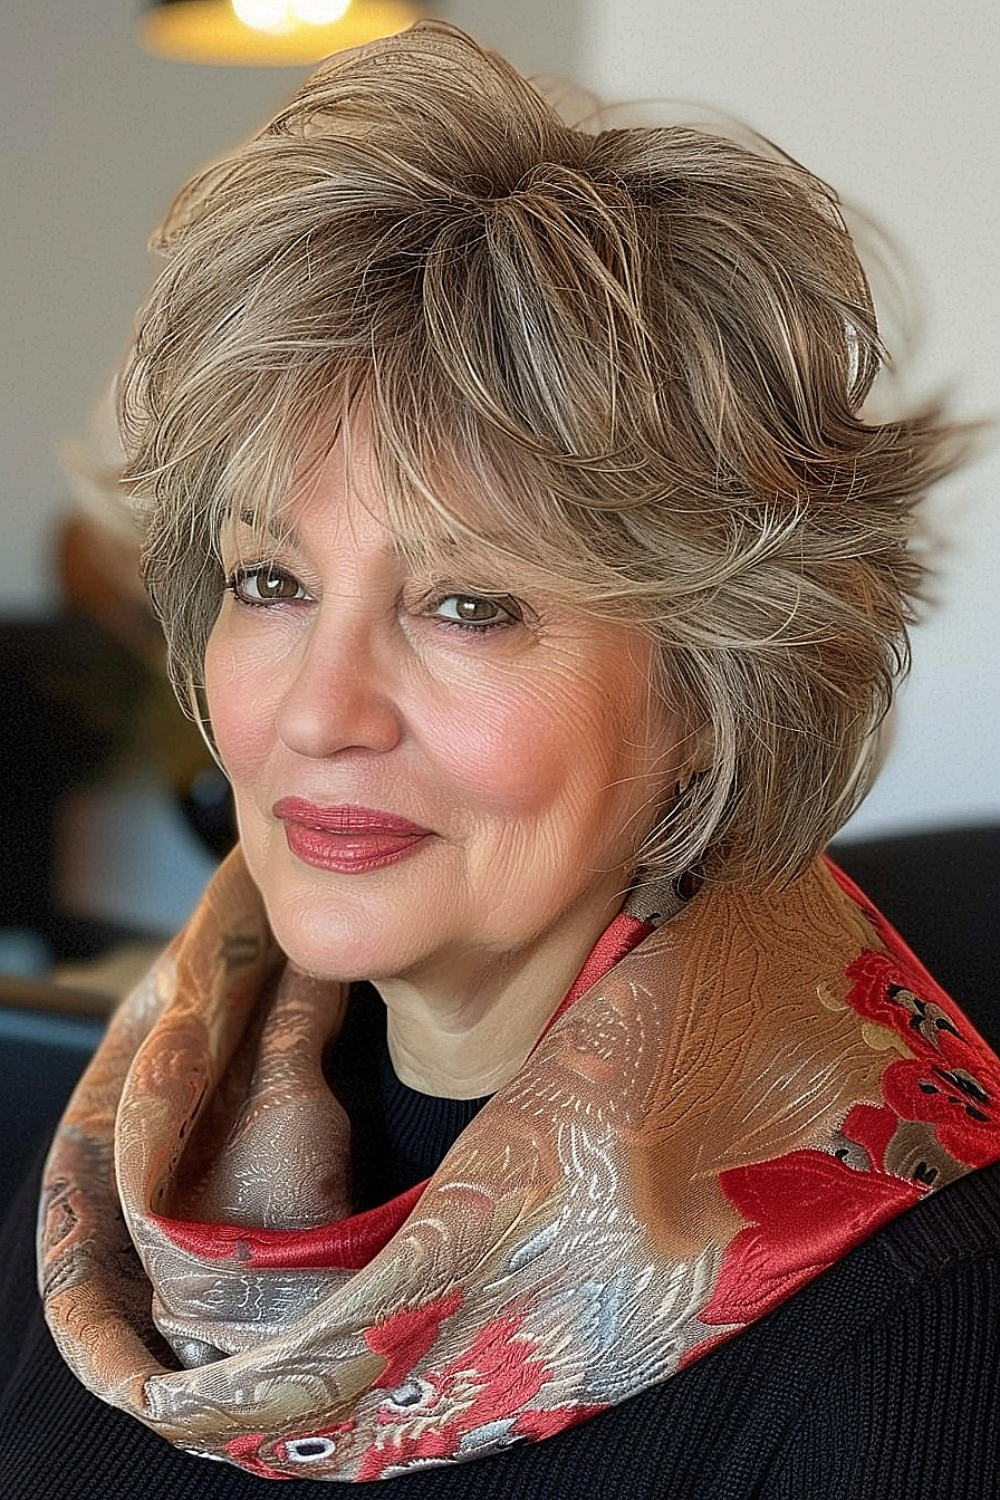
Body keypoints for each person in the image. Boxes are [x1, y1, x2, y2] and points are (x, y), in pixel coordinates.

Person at [2, 20, 998, 1499]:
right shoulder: (125, 1161)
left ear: (720, 686)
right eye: (271, 583)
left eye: (470, 605)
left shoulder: (914, 1339)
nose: (320, 712)